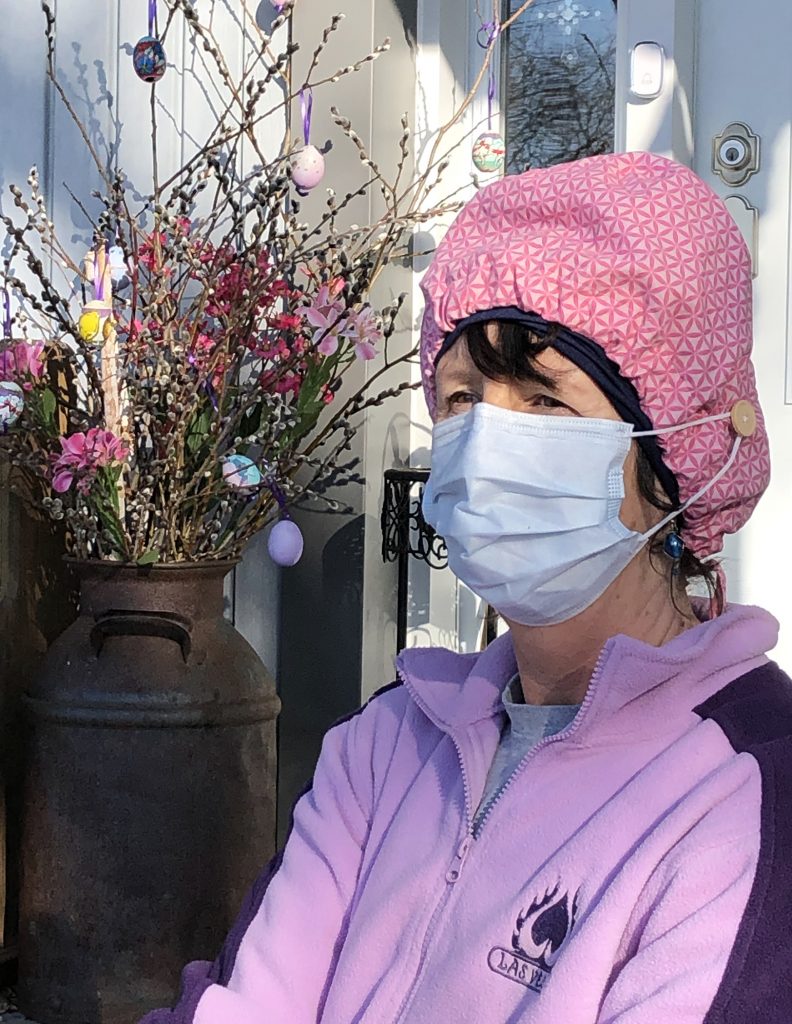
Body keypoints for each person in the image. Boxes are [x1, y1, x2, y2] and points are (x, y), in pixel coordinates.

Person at [141, 151, 790, 1024]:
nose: (486, 443)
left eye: (546, 400)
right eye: (459, 398)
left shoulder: (739, 795)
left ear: (673, 455)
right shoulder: (390, 743)